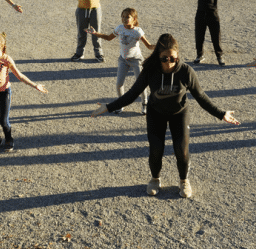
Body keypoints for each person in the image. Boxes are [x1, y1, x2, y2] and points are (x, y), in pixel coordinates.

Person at [90, 34, 239, 199]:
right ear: (158, 56)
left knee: (181, 150)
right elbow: (132, 94)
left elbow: (201, 97)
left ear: (178, 56)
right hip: (156, 114)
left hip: (179, 114)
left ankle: (184, 181)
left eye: (173, 59)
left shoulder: (185, 71)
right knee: (156, 149)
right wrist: (109, 107)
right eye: (164, 59)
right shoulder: (150, 70)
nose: (169, 63)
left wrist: (221, 113)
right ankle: (155, 179)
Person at [85, 7, 155, 115]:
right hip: (123, 60)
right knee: (119, 84)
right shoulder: (119, 28)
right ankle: (121, 104)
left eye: (127, 17)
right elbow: (108, 38)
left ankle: (145, 103)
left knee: (140, 84)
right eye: (123, 16)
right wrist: (95, 33)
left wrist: (161, 46)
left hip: (136, 60)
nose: (124, 19)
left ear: (134, 19)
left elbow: (149, 46)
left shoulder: (138, 31)